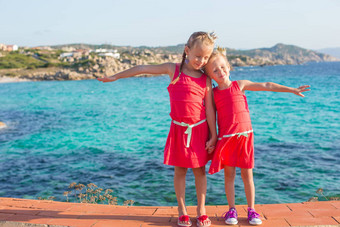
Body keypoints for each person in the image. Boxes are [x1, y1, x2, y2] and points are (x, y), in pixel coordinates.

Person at [97, 32, 218, 227]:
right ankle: (182, 211)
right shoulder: (174, 70)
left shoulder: (205, 80)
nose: (201, 61)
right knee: (180, 171)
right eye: (198, 56)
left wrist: (214, 135)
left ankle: (201, 210)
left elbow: (210, 110)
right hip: (179, 130)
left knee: (200, 171)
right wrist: (116, 76)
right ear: (187, 51)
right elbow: (143, 68)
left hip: (199, 130)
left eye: (205, 58)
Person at [204, 48, 310, 226]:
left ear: (229, 67)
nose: (220, 71)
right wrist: (213, 138)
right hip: (227, 139)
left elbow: (267, 85)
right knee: (229, 175)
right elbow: (210, 118)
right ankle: (232, 209)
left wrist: (291, 90)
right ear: (210, 76)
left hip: (245, 137)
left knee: (247, 175)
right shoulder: (213, 95)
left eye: (222, 67)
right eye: (215, 70)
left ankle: (252, 209)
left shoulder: (241, 85)